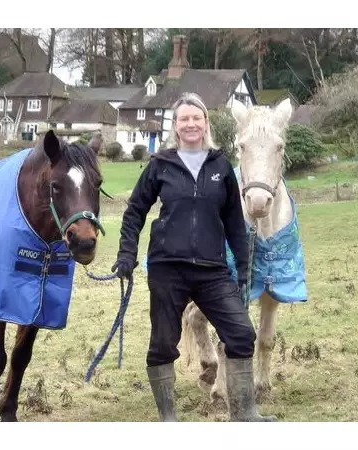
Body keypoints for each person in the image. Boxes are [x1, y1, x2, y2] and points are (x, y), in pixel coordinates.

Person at [111, 92, 276, 422]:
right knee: (162, 344)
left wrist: (244, 267)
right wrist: (127, 252)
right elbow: (135, 211)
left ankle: (245, 414)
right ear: (175, 126)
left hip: (212, 271)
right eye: (183, 119)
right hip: (167, 269)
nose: (190, 124)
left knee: (241, 333)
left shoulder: (220, 166)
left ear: (205, 123)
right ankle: (168, 419)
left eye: (196, 118)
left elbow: (234, 221)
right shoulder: (160, 164)